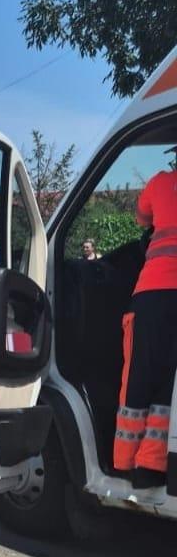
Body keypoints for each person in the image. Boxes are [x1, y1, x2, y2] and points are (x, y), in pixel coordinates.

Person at [114, 160, 177, 490]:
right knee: (169, 380)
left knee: (139, 377)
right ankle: (154, 464)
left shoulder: (160, 182)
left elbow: (142, 218)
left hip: (152, 293)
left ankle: (127, 463)